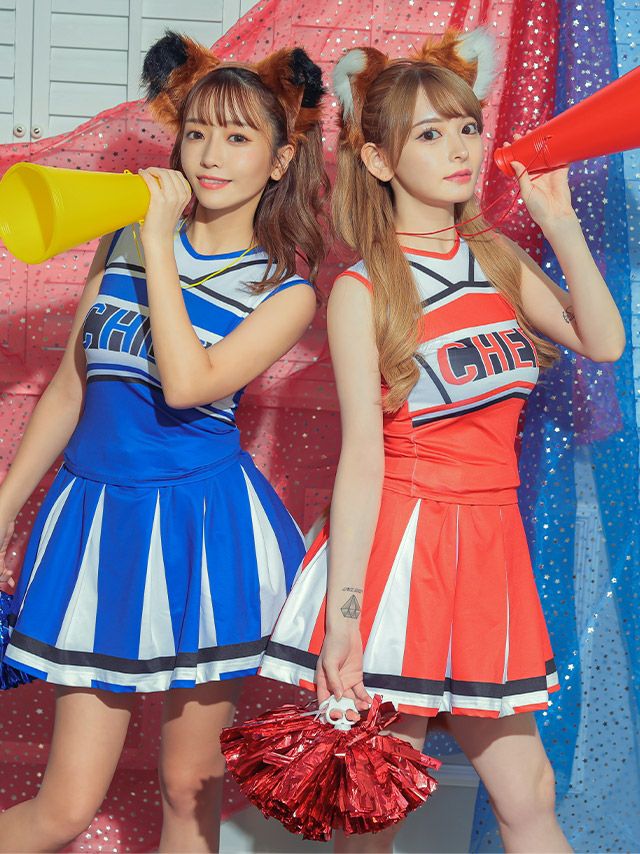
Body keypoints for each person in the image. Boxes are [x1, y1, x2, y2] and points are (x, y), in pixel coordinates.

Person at [259, 28, 625, 853]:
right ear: (379, 160)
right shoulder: (362, 288)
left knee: (529, 794)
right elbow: (363, 460)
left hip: (489, 548)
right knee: (377, 804)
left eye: (466, 127)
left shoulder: (495, 257)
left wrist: (561, 224)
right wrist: (346, 620)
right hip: (402, 553)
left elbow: (602, 341)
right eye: (430, 134)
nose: (460, 149)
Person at [0, 32, 327, 853]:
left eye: (239, 137)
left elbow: (186, 385)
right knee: (65, 807)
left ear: (281, 160)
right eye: (198, 132)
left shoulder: (282, 291)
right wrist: (3, 508)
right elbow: (72, 386)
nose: (210, 155)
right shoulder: (119, 243)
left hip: (202, 534)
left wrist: (156, 243)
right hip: (97, 522)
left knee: (188, 786)